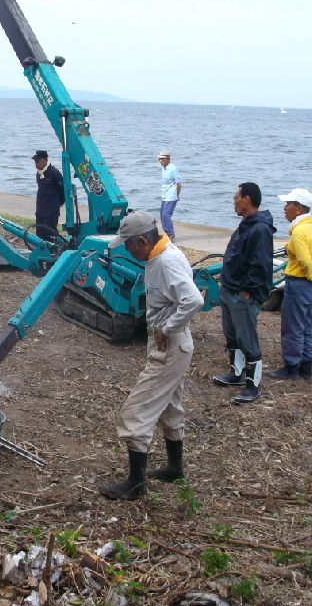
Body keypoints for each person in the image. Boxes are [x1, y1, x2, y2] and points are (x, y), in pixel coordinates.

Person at [98, 212, 204, 501]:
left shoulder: (167, 261)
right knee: (170, 407)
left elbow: (194, 300)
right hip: (172, 343)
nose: (126, 250)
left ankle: (135, 483)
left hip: (169, 346)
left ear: (142, 241)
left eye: (129, 245)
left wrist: (168, 328)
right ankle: (174, 468)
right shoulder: (161, 254)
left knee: (135, 412)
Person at [212, 183, 275, 403]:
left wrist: (247, 292)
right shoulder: (246, 225)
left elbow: (260, 264)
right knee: (232, 335)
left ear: (247, 199)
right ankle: (236, 373)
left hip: (242, 294)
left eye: (236, 197)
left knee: (247, 338)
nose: (233, 202)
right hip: (230, 290)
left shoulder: (260, 229)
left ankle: (253, 385)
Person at [268, 188, 312, 381]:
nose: (284, 208)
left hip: (298, 283)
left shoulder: (299, 231)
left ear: (298, 208)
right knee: (306, 325)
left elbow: (304, 260)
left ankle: (291, 366)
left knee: (292, 327)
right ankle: (306, 365)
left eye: (288, 204)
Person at [32, 149, 64, 242]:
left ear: (44, 161)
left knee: (50, 234)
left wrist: (57, 204)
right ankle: (41, 253)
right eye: (35, 161)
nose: (36, 164)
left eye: (37, 161)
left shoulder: (54, 173)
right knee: (39, 234)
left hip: (51, 210)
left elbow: (61, 191)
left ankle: (53, 252)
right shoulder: (39, 173)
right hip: (41, 209)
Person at [158, 150, 181, 241]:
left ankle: (171, 234)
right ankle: (167, 233)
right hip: (165, 195)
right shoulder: (164, 168)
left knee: (166, 215)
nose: (160, 161)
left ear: (168, 159)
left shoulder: (173, 169)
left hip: (171, 196)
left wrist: (177, 195)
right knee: (162, 215)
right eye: (159, 159)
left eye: (162, 159)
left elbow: (178, 183)